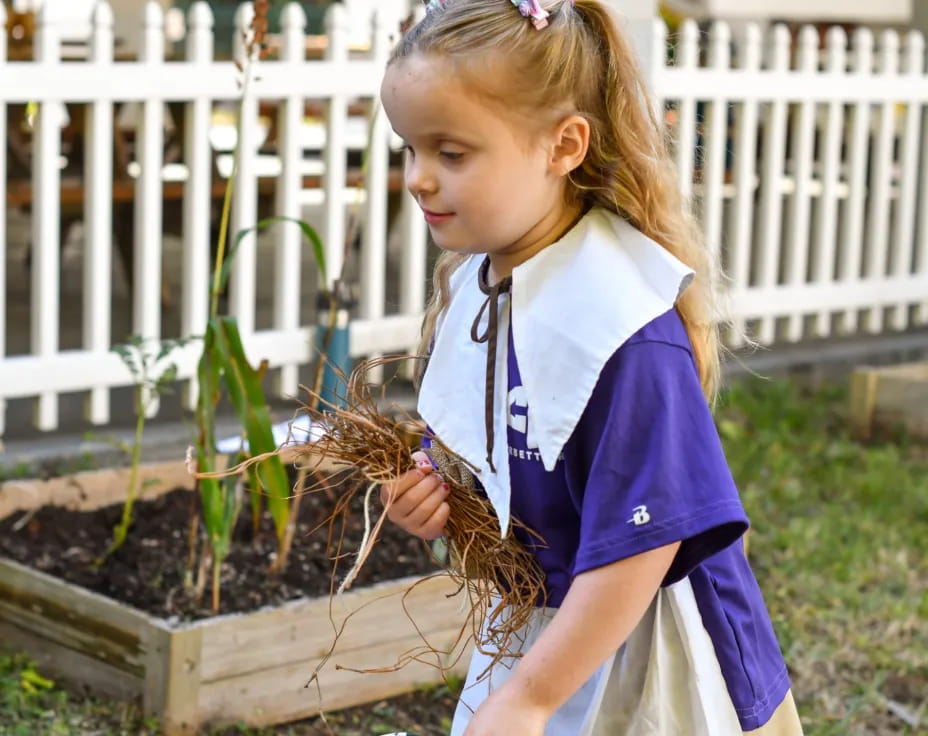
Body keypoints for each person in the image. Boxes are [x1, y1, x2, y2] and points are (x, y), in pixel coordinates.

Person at [378, 1, 802, 734]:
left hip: (649, 650)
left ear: (564, 145)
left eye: (451, 153)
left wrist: (532, 697)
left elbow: (645, 545)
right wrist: (432, 485)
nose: (418, 178)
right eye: (409, 150)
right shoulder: (481, 284)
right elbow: (497, 438)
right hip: (542, 631)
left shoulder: (624, 328)